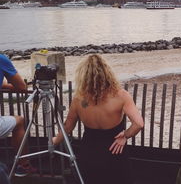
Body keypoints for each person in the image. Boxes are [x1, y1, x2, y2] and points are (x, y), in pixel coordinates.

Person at [52, 54, 144, 184]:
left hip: (89, 150)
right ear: (107, 72)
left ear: (83, 75)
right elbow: (138, 124)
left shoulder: (79, 99)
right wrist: (125, 136)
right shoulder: (121, 95)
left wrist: (55, 140)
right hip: (114, 148)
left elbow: (67, 126)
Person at [0, 54, 35, 177]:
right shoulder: (1, 59)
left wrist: (3, 85)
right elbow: (21, 86)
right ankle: (23, 165)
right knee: (19, 121)